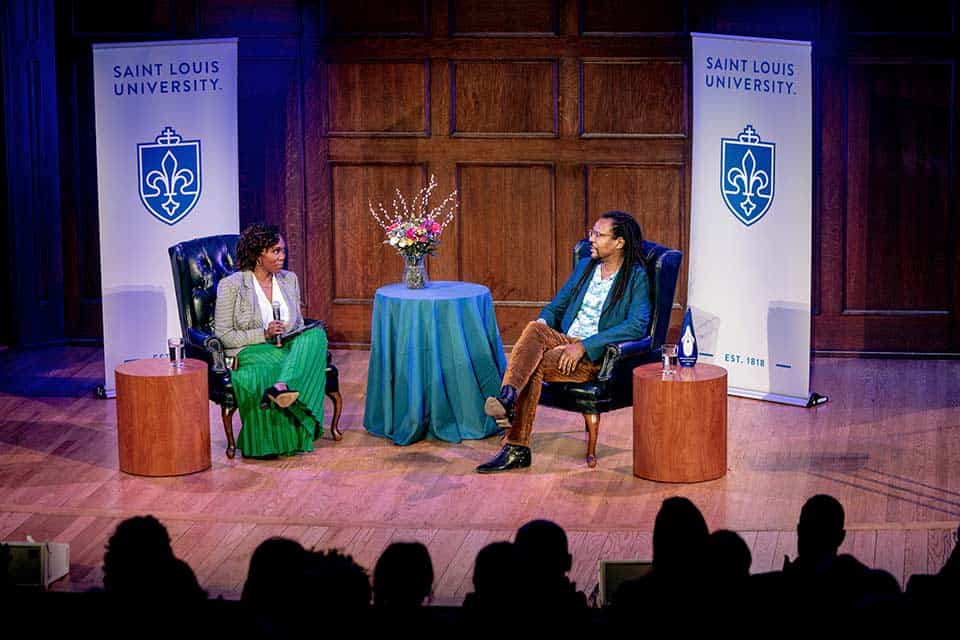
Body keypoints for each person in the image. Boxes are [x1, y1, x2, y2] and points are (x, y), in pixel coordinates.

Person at [476, 210, 651, 472]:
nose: (590, 239)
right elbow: (556, 308)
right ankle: (508, 396)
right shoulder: (586, 267)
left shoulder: (635, 276)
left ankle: (516, 447)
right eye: (591, 233)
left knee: (532, 366)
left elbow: (637, 325)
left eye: (598, 235)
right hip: (563, 340)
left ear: (619, 242)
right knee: (536, 328)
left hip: (594, 355)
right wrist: (545, 337)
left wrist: (584, 346)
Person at [215, 223, 328, 457]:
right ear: (258, 255)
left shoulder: (289, 280)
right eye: (276, 251)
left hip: (287, 344)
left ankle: (280, 387)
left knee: (316, 334)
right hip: (251, 349)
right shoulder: (232, 286)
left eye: (283, 251)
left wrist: (290, 332)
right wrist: (263, 334)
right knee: (272, 365)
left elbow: (298, 323)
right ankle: (274, 431)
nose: (282, 257)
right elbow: (224, 335)